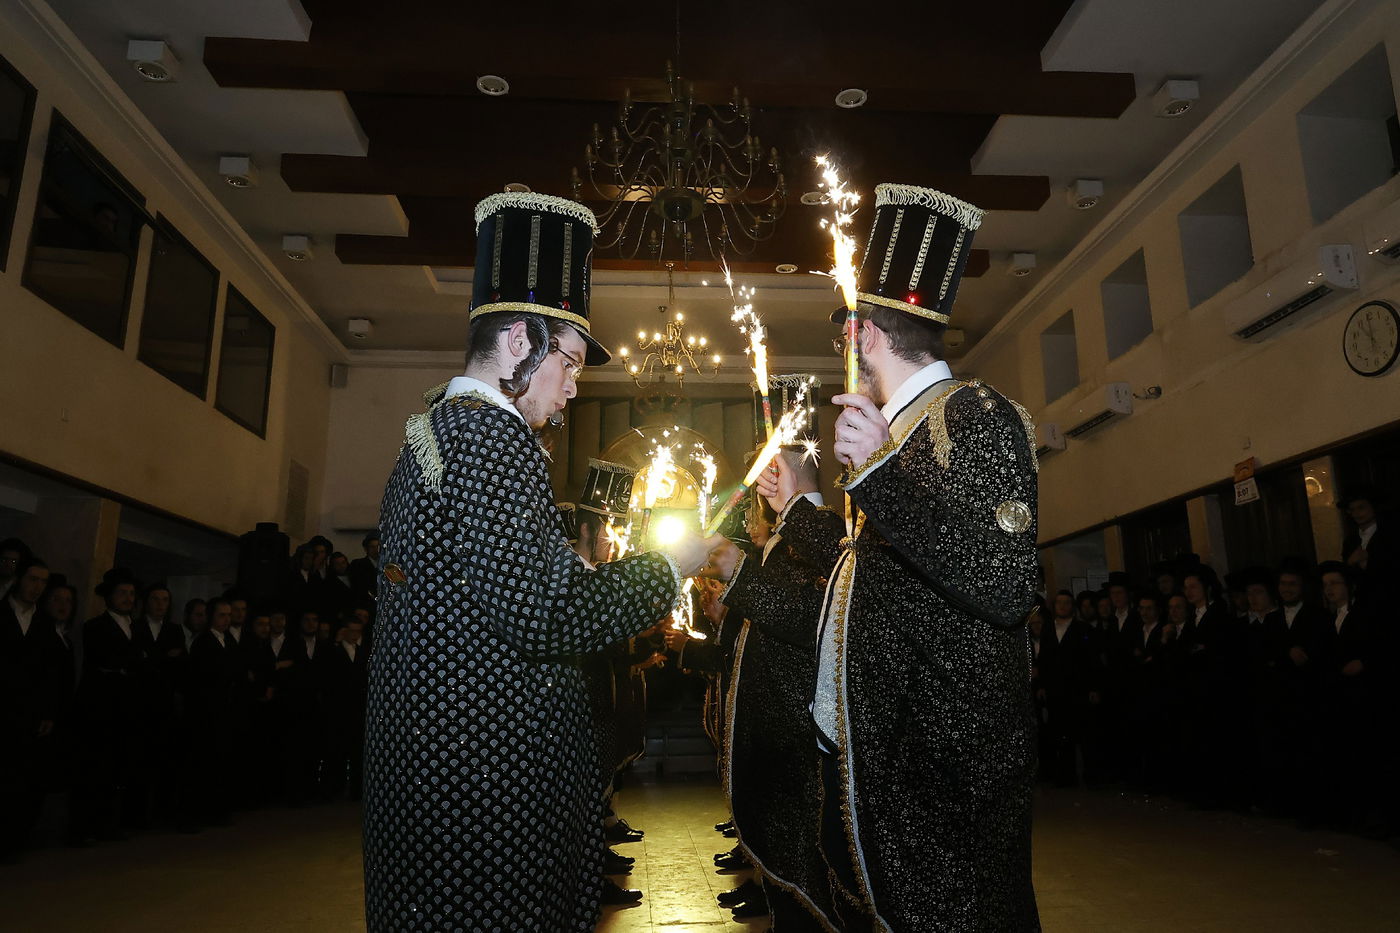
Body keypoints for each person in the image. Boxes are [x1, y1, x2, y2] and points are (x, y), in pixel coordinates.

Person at [362, 191, 717, 933]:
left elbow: (495, 601)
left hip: (438, 784)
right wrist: (668, 565)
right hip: (490, 798)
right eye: (571, 362)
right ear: (520, 339)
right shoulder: (493, 438)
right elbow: (547, 615)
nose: (574, 388)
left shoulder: (436, 430)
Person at [792, 183, 1040, 930]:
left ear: (865, 334)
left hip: (949, 764)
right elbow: (882, 576)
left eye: (847, 336)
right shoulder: (897, 433)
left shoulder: (974, 413)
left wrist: (879, 477)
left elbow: (1005, 581)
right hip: (899, 757)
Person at [706, 443, 846, 930]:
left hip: (801, 737)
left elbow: (813, 619)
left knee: (813, 886)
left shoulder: (823, 531)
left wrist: (739, 574)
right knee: (788, 890)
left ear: (779, 473)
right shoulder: (783, 539)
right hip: (777, 737)